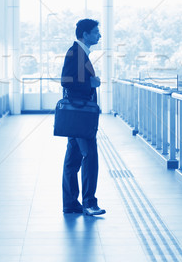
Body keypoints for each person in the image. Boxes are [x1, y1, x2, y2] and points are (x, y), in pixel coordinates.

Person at [60, 18, 106, 216]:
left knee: (73, 158)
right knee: (90, 156)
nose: (99, 35)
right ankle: (89, 202)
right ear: (85, 34)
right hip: (80, 115)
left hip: (77, 115)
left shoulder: (80, 53)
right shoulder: (75, 53)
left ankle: (70, 203)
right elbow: (66, 81)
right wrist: (91, 84)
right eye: (96, 32)